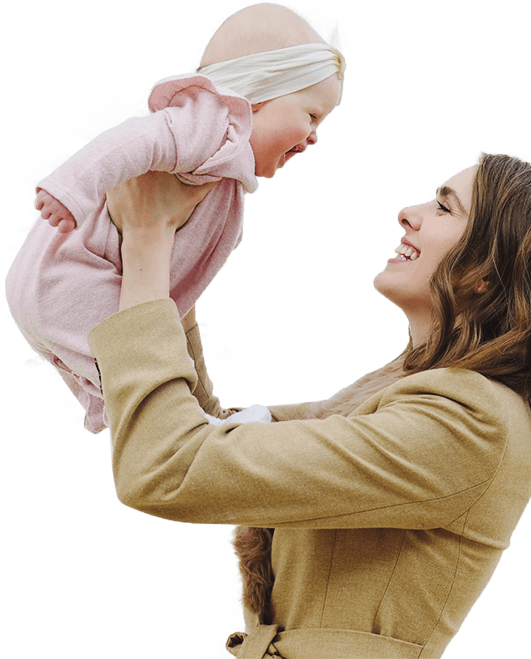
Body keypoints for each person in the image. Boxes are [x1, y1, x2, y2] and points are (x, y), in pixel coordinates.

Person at [83, 150, 531, 658]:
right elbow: (213, 434)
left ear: (487, 274)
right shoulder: (412, 394)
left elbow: (168, 466)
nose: (408, 213)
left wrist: (149, 238)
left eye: (445, 207)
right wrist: (172, 262)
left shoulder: (470, 420)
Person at [4, 3, 345, 434]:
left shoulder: (223, 166)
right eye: (311, 116)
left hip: (69, 288)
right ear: (258, 95)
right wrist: (69, 190)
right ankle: (176, 426)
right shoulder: (209, 125)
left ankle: (161, 420)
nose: (314, 138)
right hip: (71, 280)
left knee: (142, 377)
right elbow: (134, 140)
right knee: (144, 380)